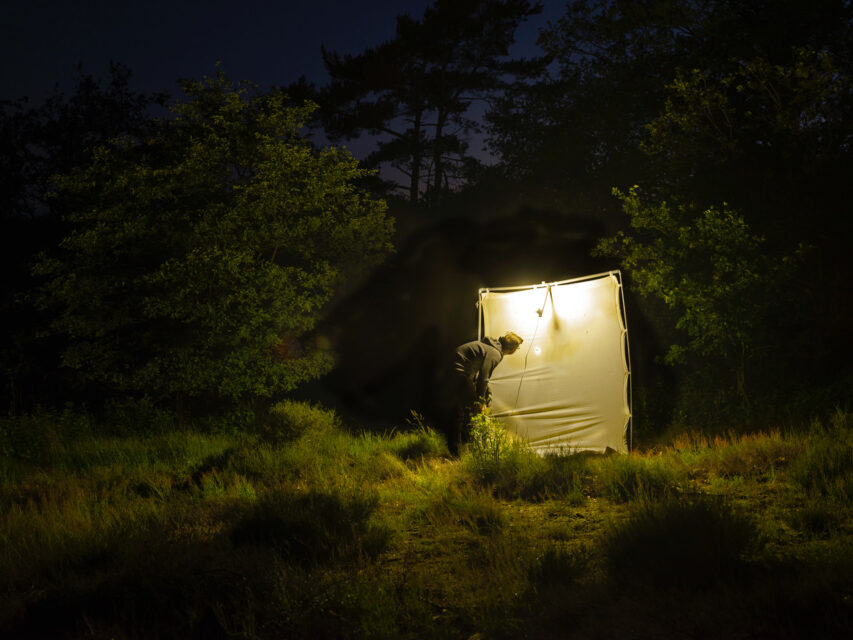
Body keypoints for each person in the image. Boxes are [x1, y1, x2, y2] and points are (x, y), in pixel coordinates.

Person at [450, 331, 523, 450]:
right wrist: (481, 401)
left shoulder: (490, 346)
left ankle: (462, 445)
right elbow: (483, 377)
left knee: (465, 406)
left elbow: (481, 376)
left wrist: (484, 394)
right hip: (458, 369)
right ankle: (458, 449)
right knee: (467, 409)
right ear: (512, 350)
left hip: (456, 367)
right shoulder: (495, 353)